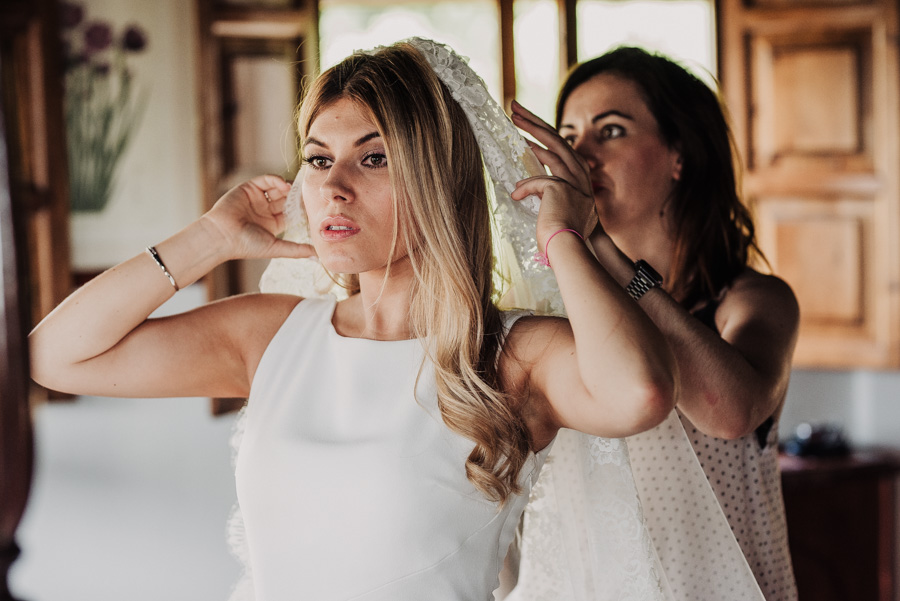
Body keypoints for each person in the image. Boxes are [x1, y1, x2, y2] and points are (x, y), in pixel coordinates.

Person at [29, 39, 679, 600]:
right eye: (317, 159)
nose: (334, 186)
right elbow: (52, 355)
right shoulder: (273, 334)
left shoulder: (514, 354)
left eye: (373, 158)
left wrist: (564, 233)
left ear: (437, 179)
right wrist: (209, 238)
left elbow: (640, 394)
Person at [508, 46, 800, 600]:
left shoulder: (751, 302)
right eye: (568, 133)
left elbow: (731, 412)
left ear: (679, 155)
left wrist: (597, 246)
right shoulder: (557, 318)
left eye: (610, 131)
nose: (580, 153)